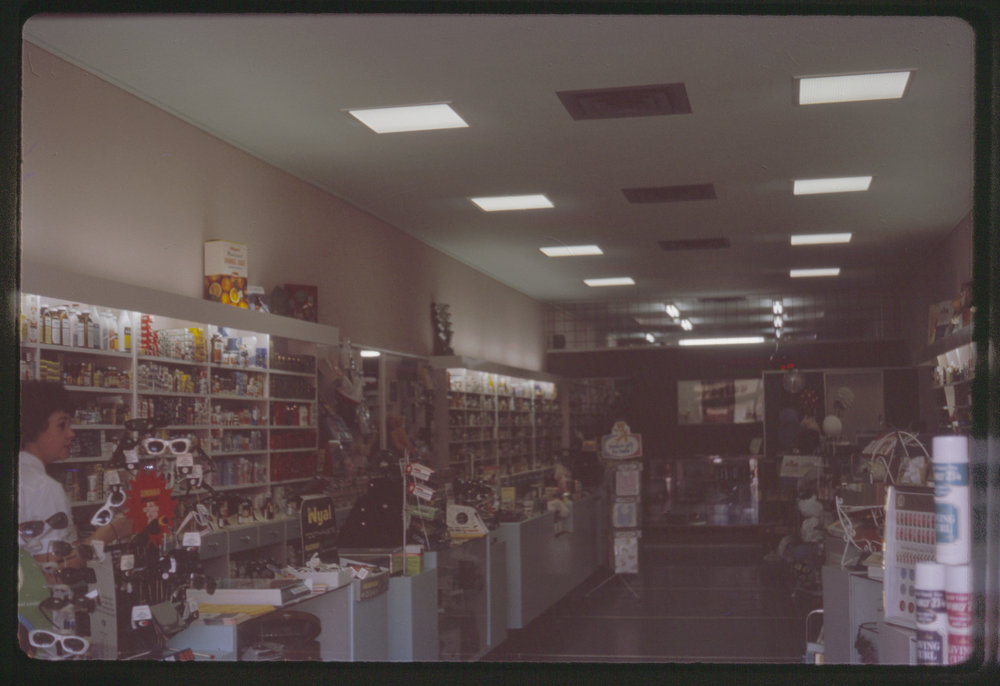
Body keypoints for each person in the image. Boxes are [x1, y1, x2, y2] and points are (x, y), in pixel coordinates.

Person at [18, 381, 81, 567]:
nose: (71, 434)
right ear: (34, 427)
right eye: (62, 425)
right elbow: (54, 571)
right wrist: (110, 532)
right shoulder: (44, 488)